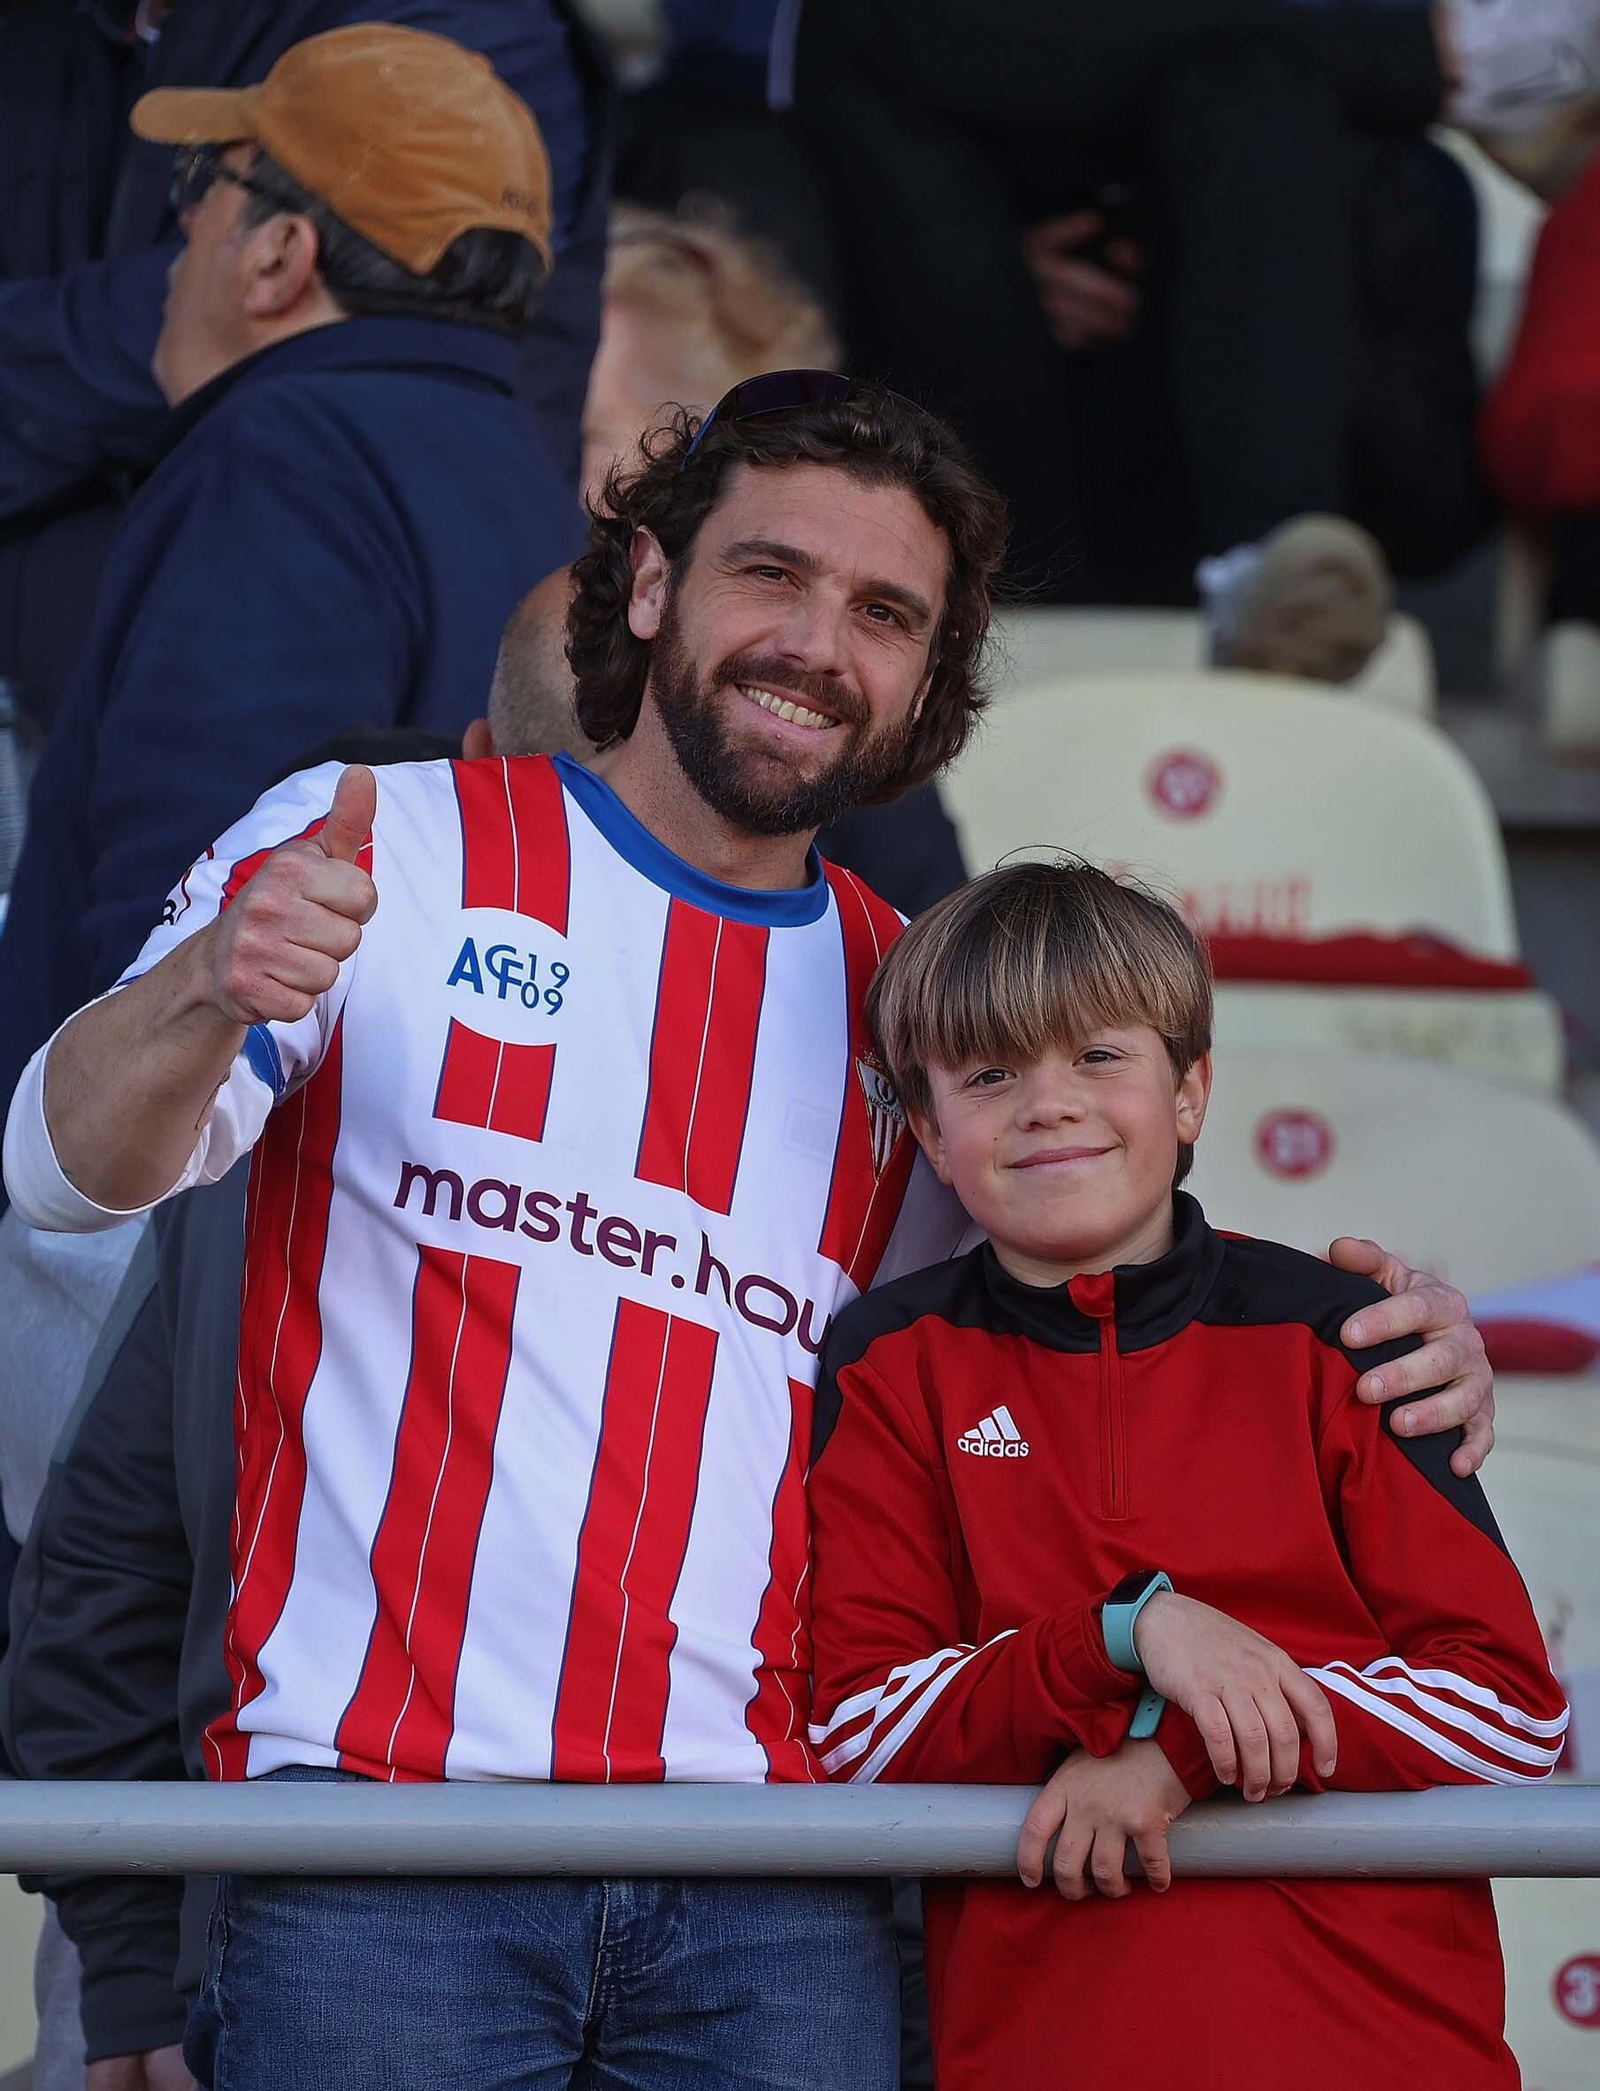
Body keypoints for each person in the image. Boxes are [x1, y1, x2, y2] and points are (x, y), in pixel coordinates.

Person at [5, 375, 1494, 2089]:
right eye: (768, 574)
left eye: (883, 613)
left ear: (929, 679)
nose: (814, 642)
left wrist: (1383, 1336)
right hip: (382, 1853)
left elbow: (1116, 1312)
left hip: (785, 1882)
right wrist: (205, 989)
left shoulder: (918, 1010)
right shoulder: (382, 844)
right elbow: (66, 1177)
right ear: (648, 585)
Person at [806, 859, 1566, 2091]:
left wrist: (1179, 1753)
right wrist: (1120, 1640)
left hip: (1377, 2047)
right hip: (1045, 2050)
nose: (1049, 1105)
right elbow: (861, 1725)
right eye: (990, 1074)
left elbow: (1506, 1710)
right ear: (930, 1132)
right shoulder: (895, 1361)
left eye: (1098, 1057)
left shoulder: (1342, 1337)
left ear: (1193, 1089)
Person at [0, 0, 610, 735]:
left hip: (228, 634)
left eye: (207, 179)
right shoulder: (54, 31)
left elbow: (155, 328)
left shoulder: (278, 486)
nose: (192, 220)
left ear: (279, 257)